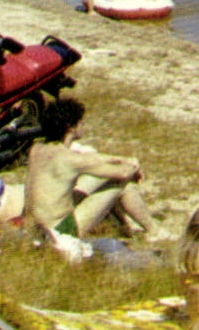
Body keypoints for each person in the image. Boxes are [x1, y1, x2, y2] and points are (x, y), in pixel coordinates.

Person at [23, 98, 167, 244]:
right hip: (58, 232)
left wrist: (122, 159)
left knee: (95, 179)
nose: (82, 124)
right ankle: (154, 231)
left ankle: (124, 226)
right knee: (122, 184)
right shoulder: (70, 160)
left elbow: (90, 159)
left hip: (34, 228)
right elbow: (123, 173)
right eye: (80, 122)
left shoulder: (37, 149)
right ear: (71, 127)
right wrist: (133, 167)